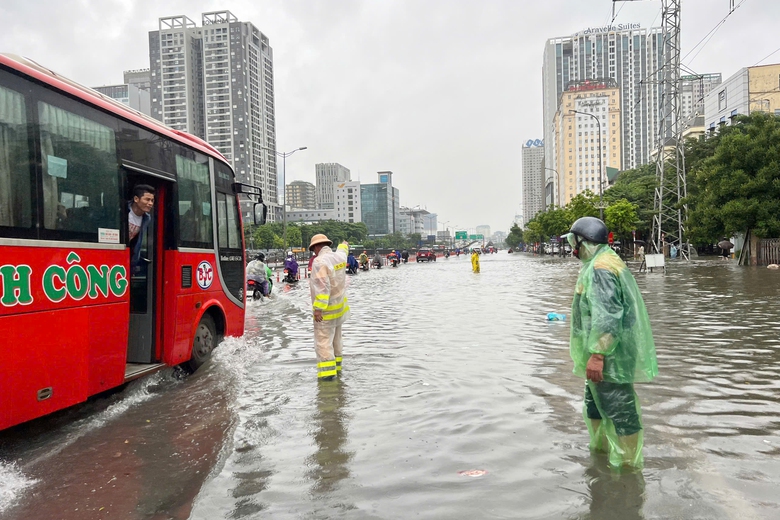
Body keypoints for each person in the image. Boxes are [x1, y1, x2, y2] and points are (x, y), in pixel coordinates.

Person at [563, 217, 658, 469]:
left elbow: (608, 315)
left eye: (574, 242)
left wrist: (598, 355)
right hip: (603, 354)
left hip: (610, 356)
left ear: (585, 242)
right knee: (595, 406)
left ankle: (628, 469)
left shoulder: (601, 268)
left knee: (620, 411)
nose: (573, 248)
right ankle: (601, 458)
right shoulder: (600, 262)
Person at [309, 234, 350, 381]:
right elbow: (343, 250)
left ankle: (327, 377)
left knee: (323, 343)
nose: (314, 252)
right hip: (339, 310)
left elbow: (322, 287)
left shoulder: (319, 262)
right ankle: (338, 370)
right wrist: (344, 243)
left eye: (313, 249)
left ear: (316, 247)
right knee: (336, 341)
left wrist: (318, 309)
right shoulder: (339, 257)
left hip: (326, 311)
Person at [128, 184, 154, 271]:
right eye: (147, 199)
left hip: (129, 259)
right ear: (136, 199)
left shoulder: (146, 218)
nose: (150, 203)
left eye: (152, 200)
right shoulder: (124, 211)